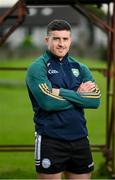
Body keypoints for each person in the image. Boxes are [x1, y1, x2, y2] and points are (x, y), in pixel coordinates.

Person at [26, 19, 101, 179]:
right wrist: (79, 96)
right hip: (51, 140)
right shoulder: (38, 67)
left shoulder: (81, 68)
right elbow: (48, 102)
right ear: (47, 40)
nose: (61, 44)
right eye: (56, 39)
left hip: (80, 138)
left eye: (65, 39)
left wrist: (59, 92)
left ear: (70, 40)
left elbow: (94, 100)